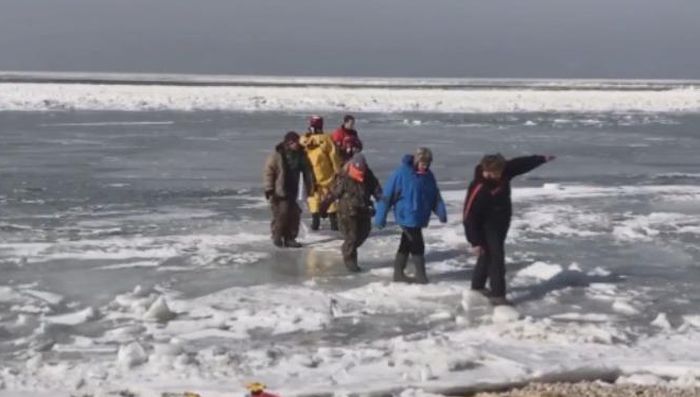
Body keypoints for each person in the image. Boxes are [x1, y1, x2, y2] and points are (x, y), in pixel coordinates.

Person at [463, 153, 555, 305]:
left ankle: (477, 287)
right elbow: (469, 217)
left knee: (487, 255)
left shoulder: (503, 170)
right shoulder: (478, 187)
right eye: (496, 173)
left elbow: (520, 164)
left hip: (501, 223)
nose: (500, 175)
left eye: (501, 172)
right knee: (496, 258)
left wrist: (540, 159)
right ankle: (498, 296)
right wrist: (475, 242)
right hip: (485, 226)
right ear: (488, 171)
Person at [374, 148, 448, 284]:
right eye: (422, 163)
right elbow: (387, 196)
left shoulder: (428, 176)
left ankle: (398, 273)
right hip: (405, 215)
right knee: (417, 244)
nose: (424, 166)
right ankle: (421, 276)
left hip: (419, 217)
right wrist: (380, 217)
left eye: (427, 164)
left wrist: (441, 212)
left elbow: (435, 196)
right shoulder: (402, 173)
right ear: (416, 160)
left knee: (406, 243)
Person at [321, 153, 382, 272]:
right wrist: (323, 208)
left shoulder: (368, 175)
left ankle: (348, 248)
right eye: (358, 170)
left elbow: (376, 189)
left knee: (364, 232)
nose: (361, 173)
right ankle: (350, 260)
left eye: (362, 170)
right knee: (352, 237)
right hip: (347, 212)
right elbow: (332, 194)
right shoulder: (343, 177)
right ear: (352, 166)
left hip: (363, 209)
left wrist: (382, 198)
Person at [263, 131, 314, 248]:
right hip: (279, 190)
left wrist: (310, 187)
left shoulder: (301, 155)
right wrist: (269, 188)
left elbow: (308, 172)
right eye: (292, 143)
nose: (295, 144)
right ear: (287, 143)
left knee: (295, 214)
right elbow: (268, 172)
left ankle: (290, 238)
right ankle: (277, 236)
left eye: (296, 142)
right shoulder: (277, 155)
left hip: (294, 189)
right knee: (282, 213)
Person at [300, 115, 343, 231]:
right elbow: (334, 157)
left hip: (311, 174)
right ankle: (333, 222)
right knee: (329, 195)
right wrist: (338, 171)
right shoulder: (326, 139)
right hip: (326, 173)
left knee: (313, 196)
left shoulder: (304, 140)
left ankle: (315, 221)